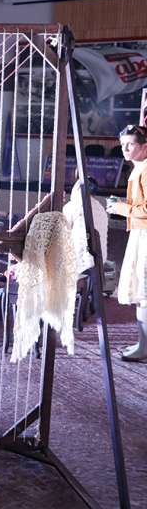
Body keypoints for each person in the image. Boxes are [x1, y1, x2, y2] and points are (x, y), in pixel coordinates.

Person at [107, 125, 147, 361]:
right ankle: (143, 344)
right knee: (141, 293)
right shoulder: (139, 168)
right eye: (122, 144)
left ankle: (144, 348)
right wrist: (122, 204)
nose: (125, 149)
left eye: (130, 144)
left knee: (144, 293)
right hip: (140, 233)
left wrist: (122, 208)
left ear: (144, 146)